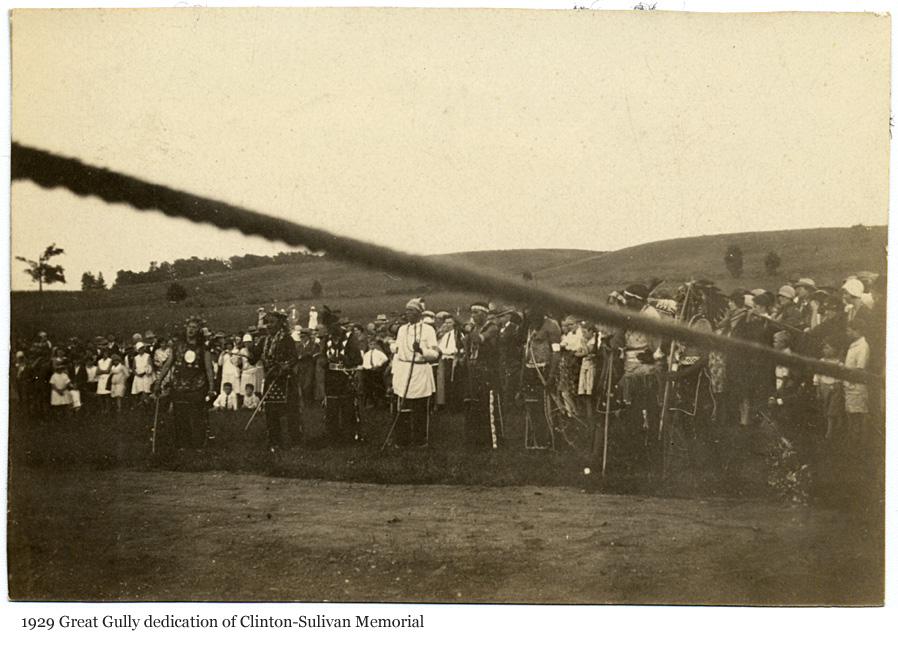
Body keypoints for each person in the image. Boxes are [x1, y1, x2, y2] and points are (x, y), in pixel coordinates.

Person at [155, 316, 216, 450]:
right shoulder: (177, 346)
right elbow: (167, 365)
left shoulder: (203, 347)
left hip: (197, 386)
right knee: (180, 417)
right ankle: (182, 446)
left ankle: (198, 446)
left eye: (194, 327)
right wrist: (158, 381)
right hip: (179, 387)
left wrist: (211, 387)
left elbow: (208, 368)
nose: (191, 330)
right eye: (189, 327)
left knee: (197, 417)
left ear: (199, 330)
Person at [390, 298, 441, 447]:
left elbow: (435, 354)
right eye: (406, 310)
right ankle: (402, 440)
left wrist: (421, 350)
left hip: (420, 370)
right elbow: (398, 352)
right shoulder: (402, 329)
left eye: (411, 310)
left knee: (419, 408)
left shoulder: (428, 329)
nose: (408, 313)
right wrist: (395, 372)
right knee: (402, 406)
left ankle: (420, 441)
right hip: (403, 371)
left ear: (419, 313)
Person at [256, 310, 300, 451]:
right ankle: (275, 442)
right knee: (271, 412)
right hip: (270, 380)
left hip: (285, 381)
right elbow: (253, 358)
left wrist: (285, 366)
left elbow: (294, 358)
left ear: (280, 324)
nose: (269, 326)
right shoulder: (264, 341)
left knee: (291, 412)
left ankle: (296, 442)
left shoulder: (287, 339)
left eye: (272, 322)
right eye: (267, 322)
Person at [520, 307, 562, 449]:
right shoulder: (530, 326)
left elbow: (556, 352)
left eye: (531, 312)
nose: (528, 314)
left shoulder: (552, 325)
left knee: (546, 405)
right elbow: (527, 351)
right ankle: (535, 442)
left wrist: (551, 375)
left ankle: (550, 441)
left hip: (545, 370)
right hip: (530, 369)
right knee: (532, 405)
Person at [462, 302, 503, 447]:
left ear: (485, 314)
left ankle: (492, 441)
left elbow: (478, 339)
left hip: (488, 370)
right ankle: (475, 439)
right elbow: (465, 344)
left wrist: (468, 330)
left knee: (487, 404)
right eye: (472, 313)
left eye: (476, 313)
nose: (473, 316)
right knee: (473, 403)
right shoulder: (474, 328)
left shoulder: (492, 327)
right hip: (474, 369)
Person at [320, 308, 363, 445]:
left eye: (333, 328)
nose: (331, 331)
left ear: (338, 326)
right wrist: (327, 360)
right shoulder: (327, 338)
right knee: (331, 407)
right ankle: (333, 437)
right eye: (328, 329)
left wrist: (345, 359)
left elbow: (358, 359)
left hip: (346, 378)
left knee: (347, 408)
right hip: (331, 378)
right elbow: (321, 359)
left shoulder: (350, 338)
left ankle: (350, 436)